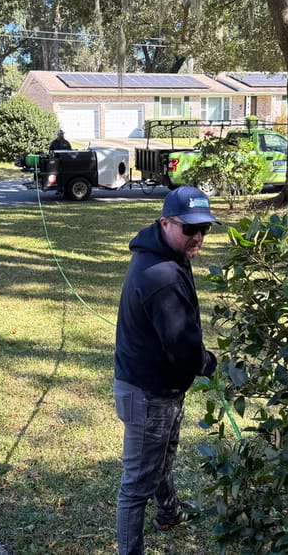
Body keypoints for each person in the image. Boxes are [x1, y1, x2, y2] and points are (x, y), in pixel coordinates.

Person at [113, 185, 220, 555]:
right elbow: (183, 348)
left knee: (162, 458)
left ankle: (169, 512)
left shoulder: (165, 252)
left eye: (204, 228)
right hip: (148, 394)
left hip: (159, 387)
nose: (198, 237)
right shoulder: (161, 276)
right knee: (136, 485)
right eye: (189, 228)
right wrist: (207, 362)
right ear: (165, 223)